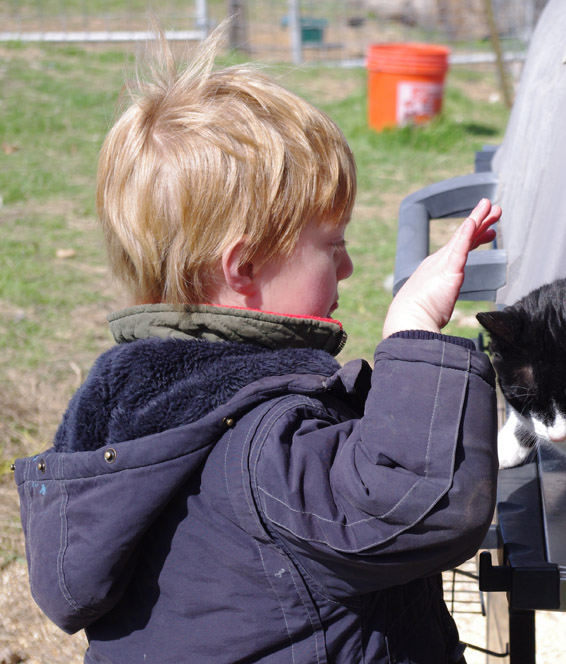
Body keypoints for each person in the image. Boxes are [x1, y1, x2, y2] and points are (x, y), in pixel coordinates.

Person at [14, 22, 500, 664]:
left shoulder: (131, 414)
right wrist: (413, 330)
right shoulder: (263, 440)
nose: (348, 266)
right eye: (333, 245)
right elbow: (415, 506)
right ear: (244, 268)